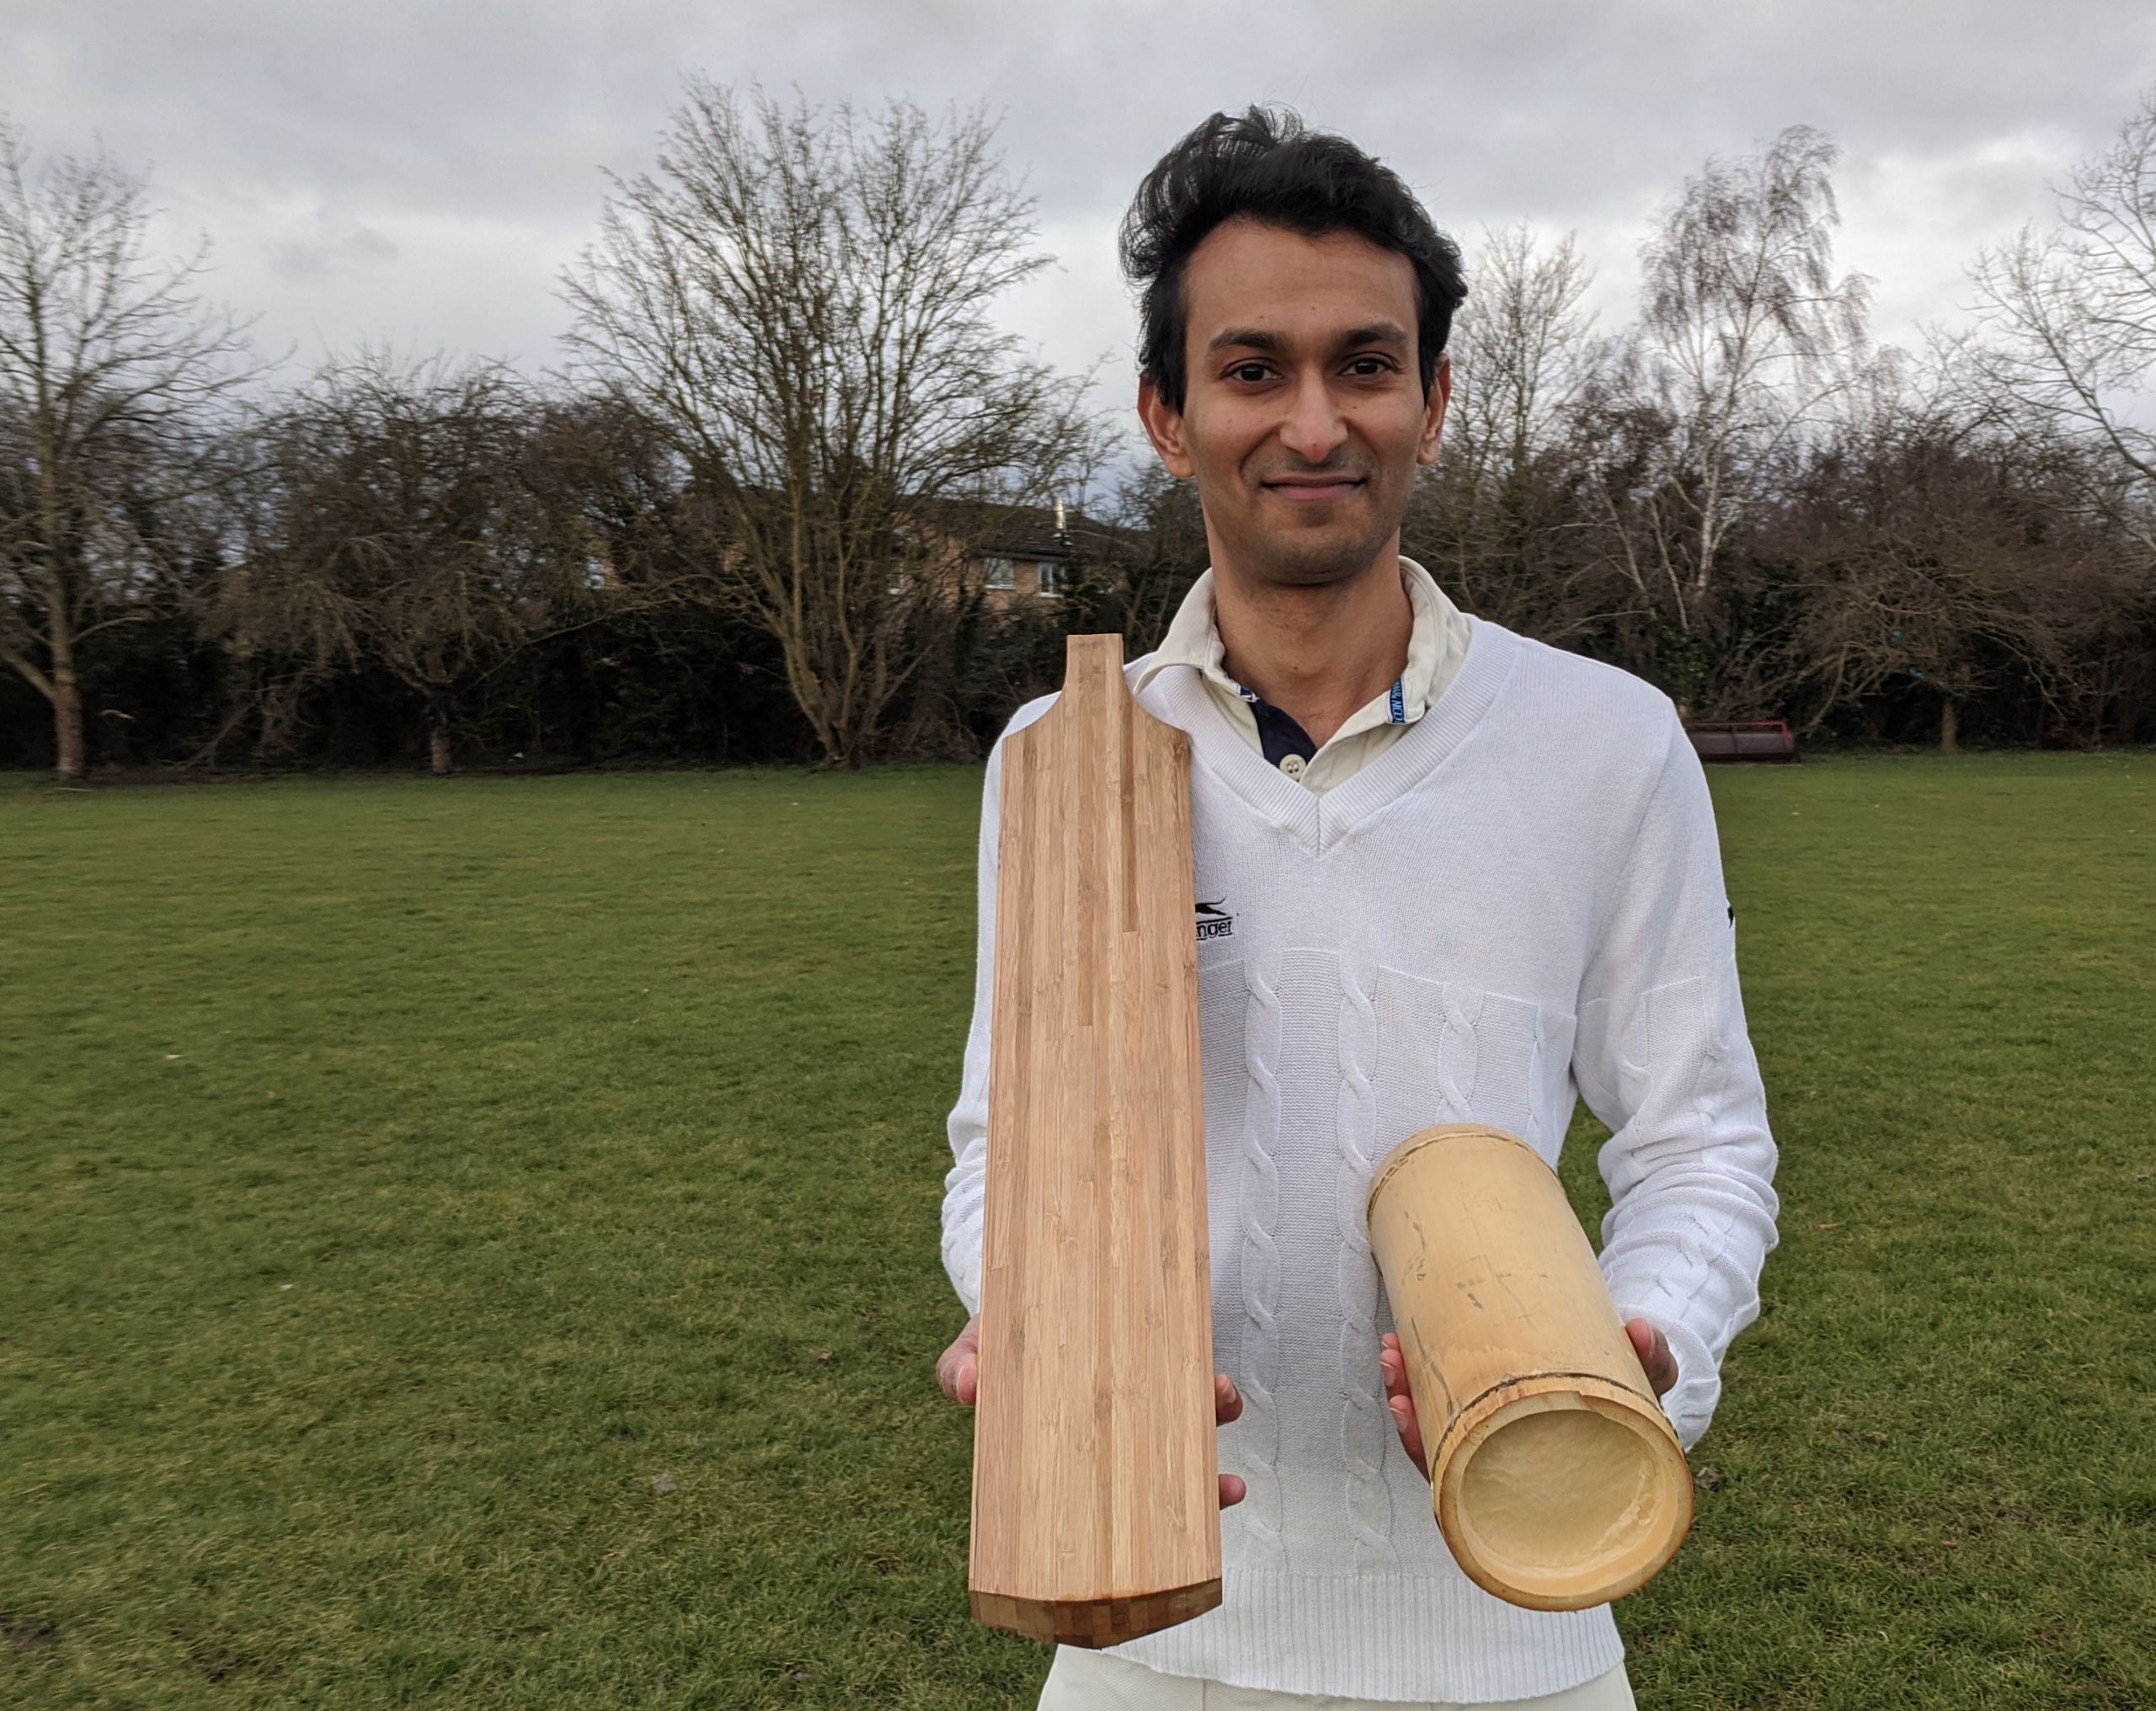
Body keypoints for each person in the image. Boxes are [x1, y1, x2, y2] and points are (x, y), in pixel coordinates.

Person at [935, 107, 1779, 1710]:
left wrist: (1644, 1343)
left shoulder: (1606, 741)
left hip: (1518, 1623)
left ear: (1435, 403)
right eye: (1252, 369)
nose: (1313, 421)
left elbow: (1699, 1142)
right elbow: (1005, 1144)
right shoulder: (1063, 757)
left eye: (1366, 366)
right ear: (1165, 417)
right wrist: (1038, 1326)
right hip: (1150, 1625)